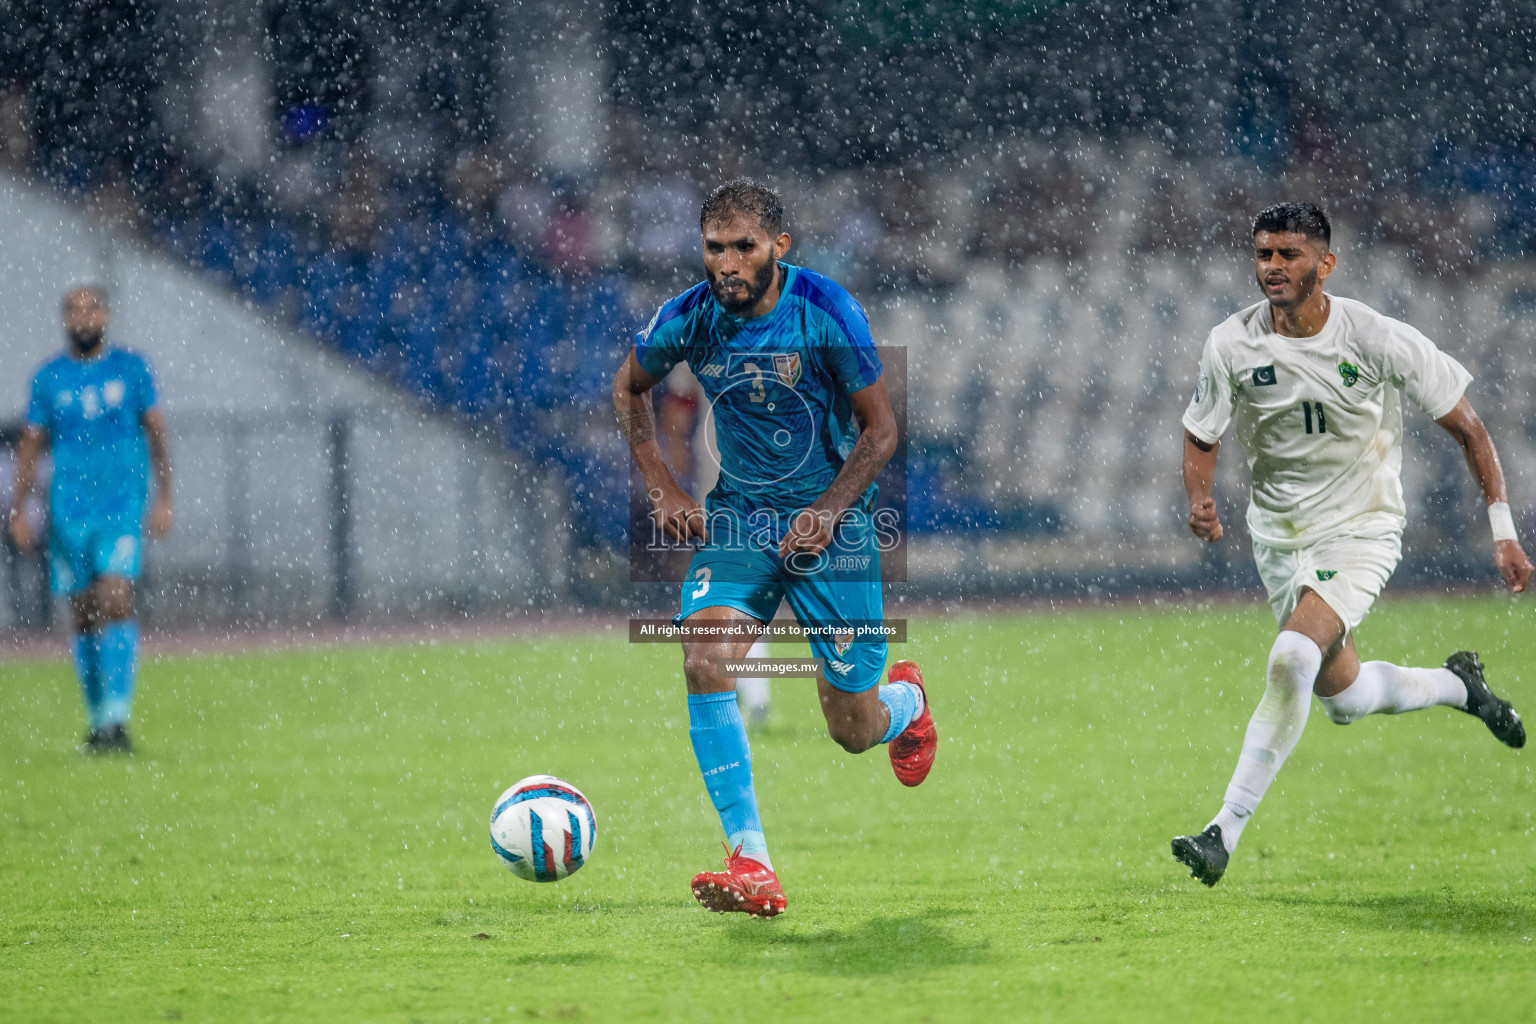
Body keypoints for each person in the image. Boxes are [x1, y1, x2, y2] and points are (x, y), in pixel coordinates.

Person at [1171, 202, 1532, 886]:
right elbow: (1201, 434)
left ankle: (1223, 829)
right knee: (1344, 697)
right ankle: (1462, 687)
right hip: (1278, 539)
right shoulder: (1231, 343)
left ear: (1325, 263)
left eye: (1289, 255)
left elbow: (1470, 428)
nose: (1273, 267)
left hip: (1362, 527)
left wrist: (1503, 531)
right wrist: (1199, 499)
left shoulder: (1373, 336)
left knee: (1290, 656)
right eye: (1264, 255)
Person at [613, 179, 935, 917]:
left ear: (779, 248)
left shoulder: (826, 311)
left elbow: (881, 432)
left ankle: (908, 700)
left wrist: (826, 513)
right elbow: (628, 387)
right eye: (714, 247)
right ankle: (751, 860)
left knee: (851, 729)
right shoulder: (687, 317)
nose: (726, 264)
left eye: (743, 248)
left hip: (836, 532)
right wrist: (663, 484)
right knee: (702, 653)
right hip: (741, 522)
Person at [8, 286, 173, 752]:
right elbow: (31, 446)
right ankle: (98, 722)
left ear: (105, 315)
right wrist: (19, 510)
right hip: (68, 512)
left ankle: (119, 720)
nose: (83, 318)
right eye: (73, 310)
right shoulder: (49, 379)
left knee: (117, 595)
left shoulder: (131, 369)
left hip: (120, 506)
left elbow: (157, 432)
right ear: (64, 320)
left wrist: (164, 497)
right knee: (82, 612)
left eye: (90, 308)